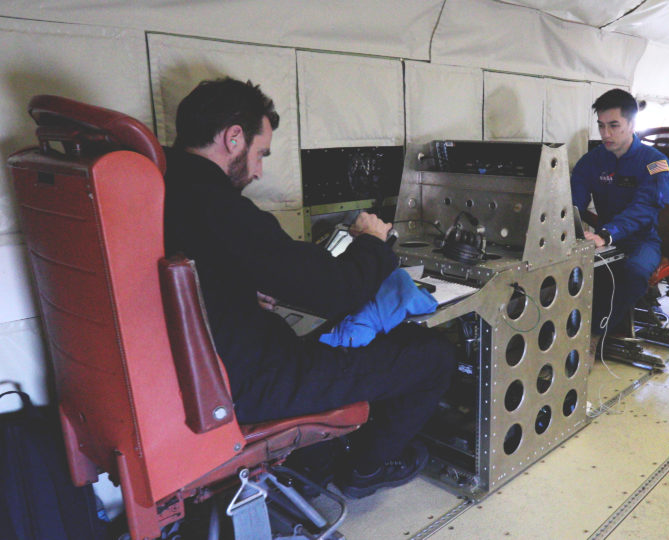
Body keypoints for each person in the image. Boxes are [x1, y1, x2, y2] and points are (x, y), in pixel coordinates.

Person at [162, 77, 455, 499]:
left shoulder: (164, 188)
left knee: (383, 342)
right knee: (433, 355)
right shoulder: (218, 206)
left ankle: (335, 454)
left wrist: (239, 292)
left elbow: (209, 271)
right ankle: (366, 469)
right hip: (255, 382)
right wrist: (373, 242)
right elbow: (339, 292)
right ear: (233, 138)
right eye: (260, 154)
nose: (259, 170)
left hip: (211, 368)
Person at [570, 88, 669, 338]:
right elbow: (572, 202)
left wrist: (606, 234)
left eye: (614, 125)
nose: (606, 134)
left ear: (632, 123)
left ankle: (592, 338)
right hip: (601, 240)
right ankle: (570, 332)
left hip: (641, 241)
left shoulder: (655, 163)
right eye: (601, 126)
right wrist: (568, 226)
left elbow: (645, 208)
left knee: (634, 273)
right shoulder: (591, 161)